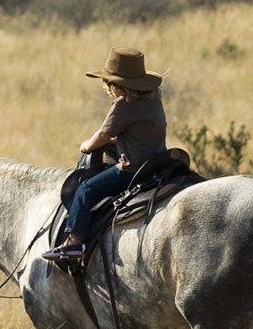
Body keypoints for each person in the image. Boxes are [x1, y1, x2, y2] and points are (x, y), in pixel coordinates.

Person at [41, 48, 167, 263]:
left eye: (110, 85)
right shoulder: (153, 100)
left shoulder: (124, 104)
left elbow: (102, 134)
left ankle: (73, 243)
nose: (109, 89)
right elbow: (139, 133)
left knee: (85, 190)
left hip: (132, 168)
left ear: (119, 86)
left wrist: (86, 146)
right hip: (158, 164)